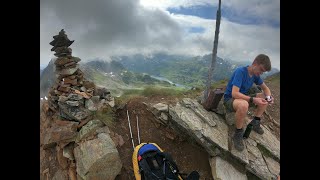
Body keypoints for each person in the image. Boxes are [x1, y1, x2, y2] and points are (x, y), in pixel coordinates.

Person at [223, 54, 274, 151]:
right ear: (255, 63)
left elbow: (265, 88)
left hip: (243, 97)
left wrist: (268, 97)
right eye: (261, 70)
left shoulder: (255, 75)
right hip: (230, 100)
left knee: (265, 97)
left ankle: (256, 121)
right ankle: (238, 133)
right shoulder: (240, 71)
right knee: (243, 105)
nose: (261, 73)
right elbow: (234, 93)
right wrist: (253, 99)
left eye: (263, 71)